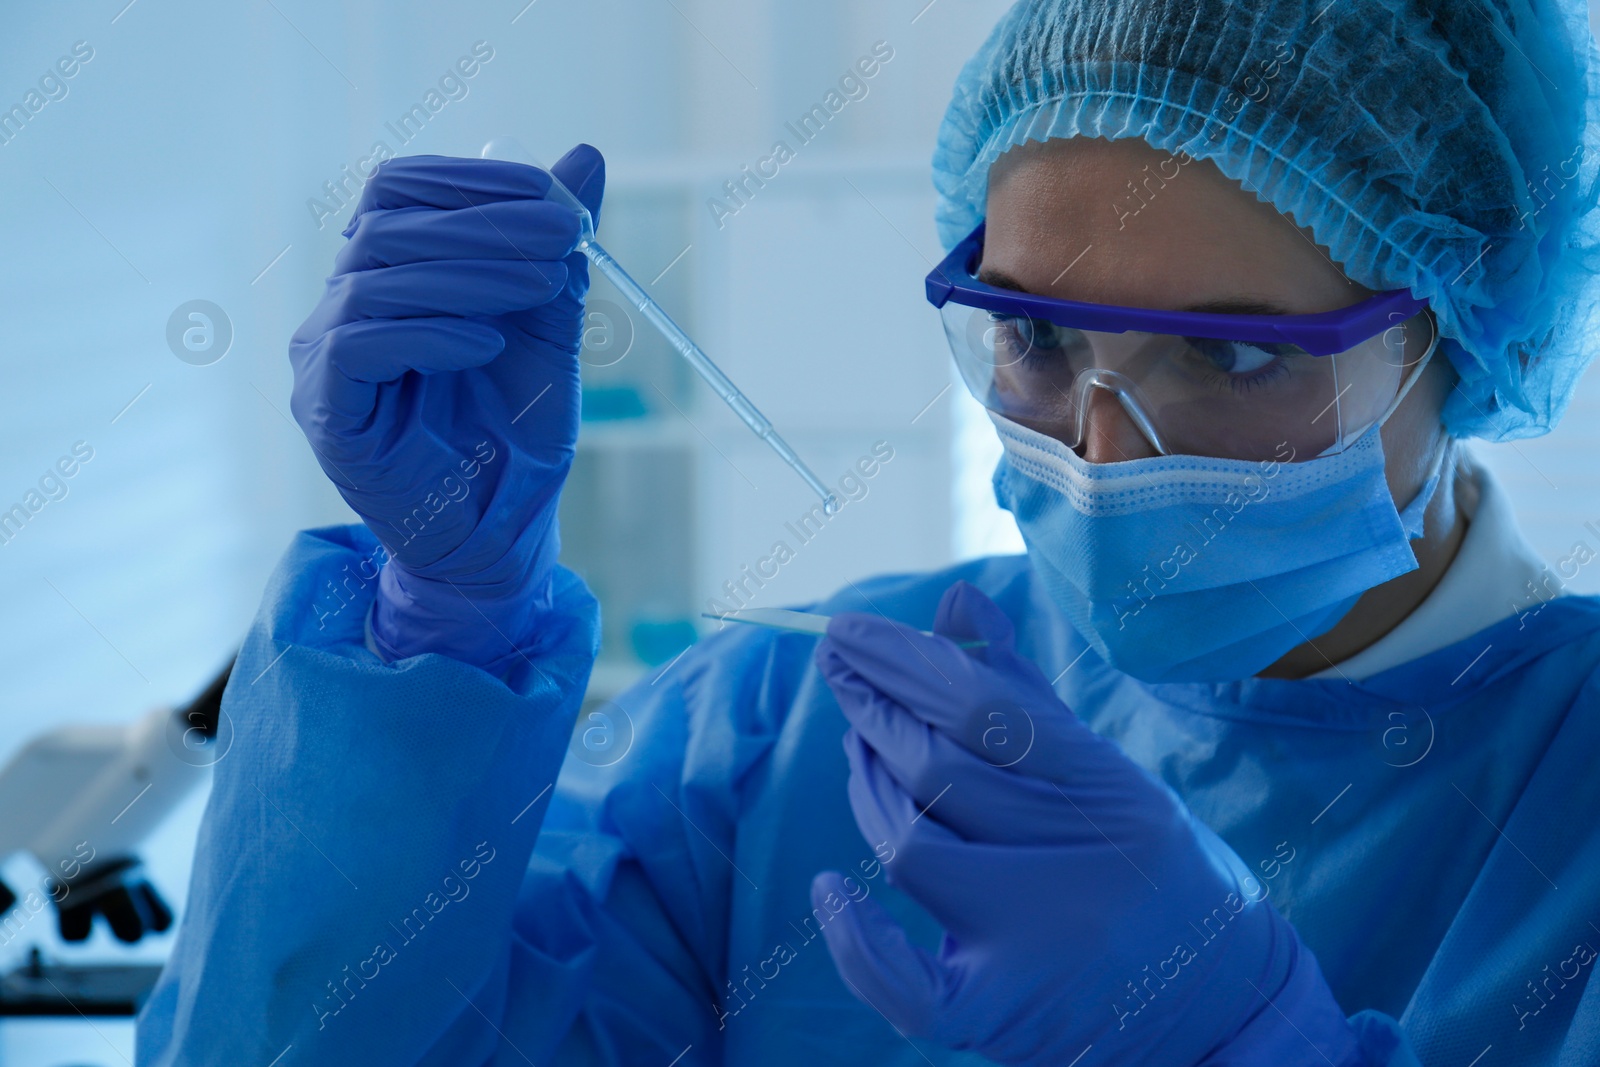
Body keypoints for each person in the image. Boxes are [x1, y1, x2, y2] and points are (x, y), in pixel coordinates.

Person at [137, 0, 1600, 1064]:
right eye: (1029, 334)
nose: (1096, 455)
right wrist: (434, 633)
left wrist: (1234, 1040)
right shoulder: (800, 723)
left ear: (1462, 340)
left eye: (1227, 358)